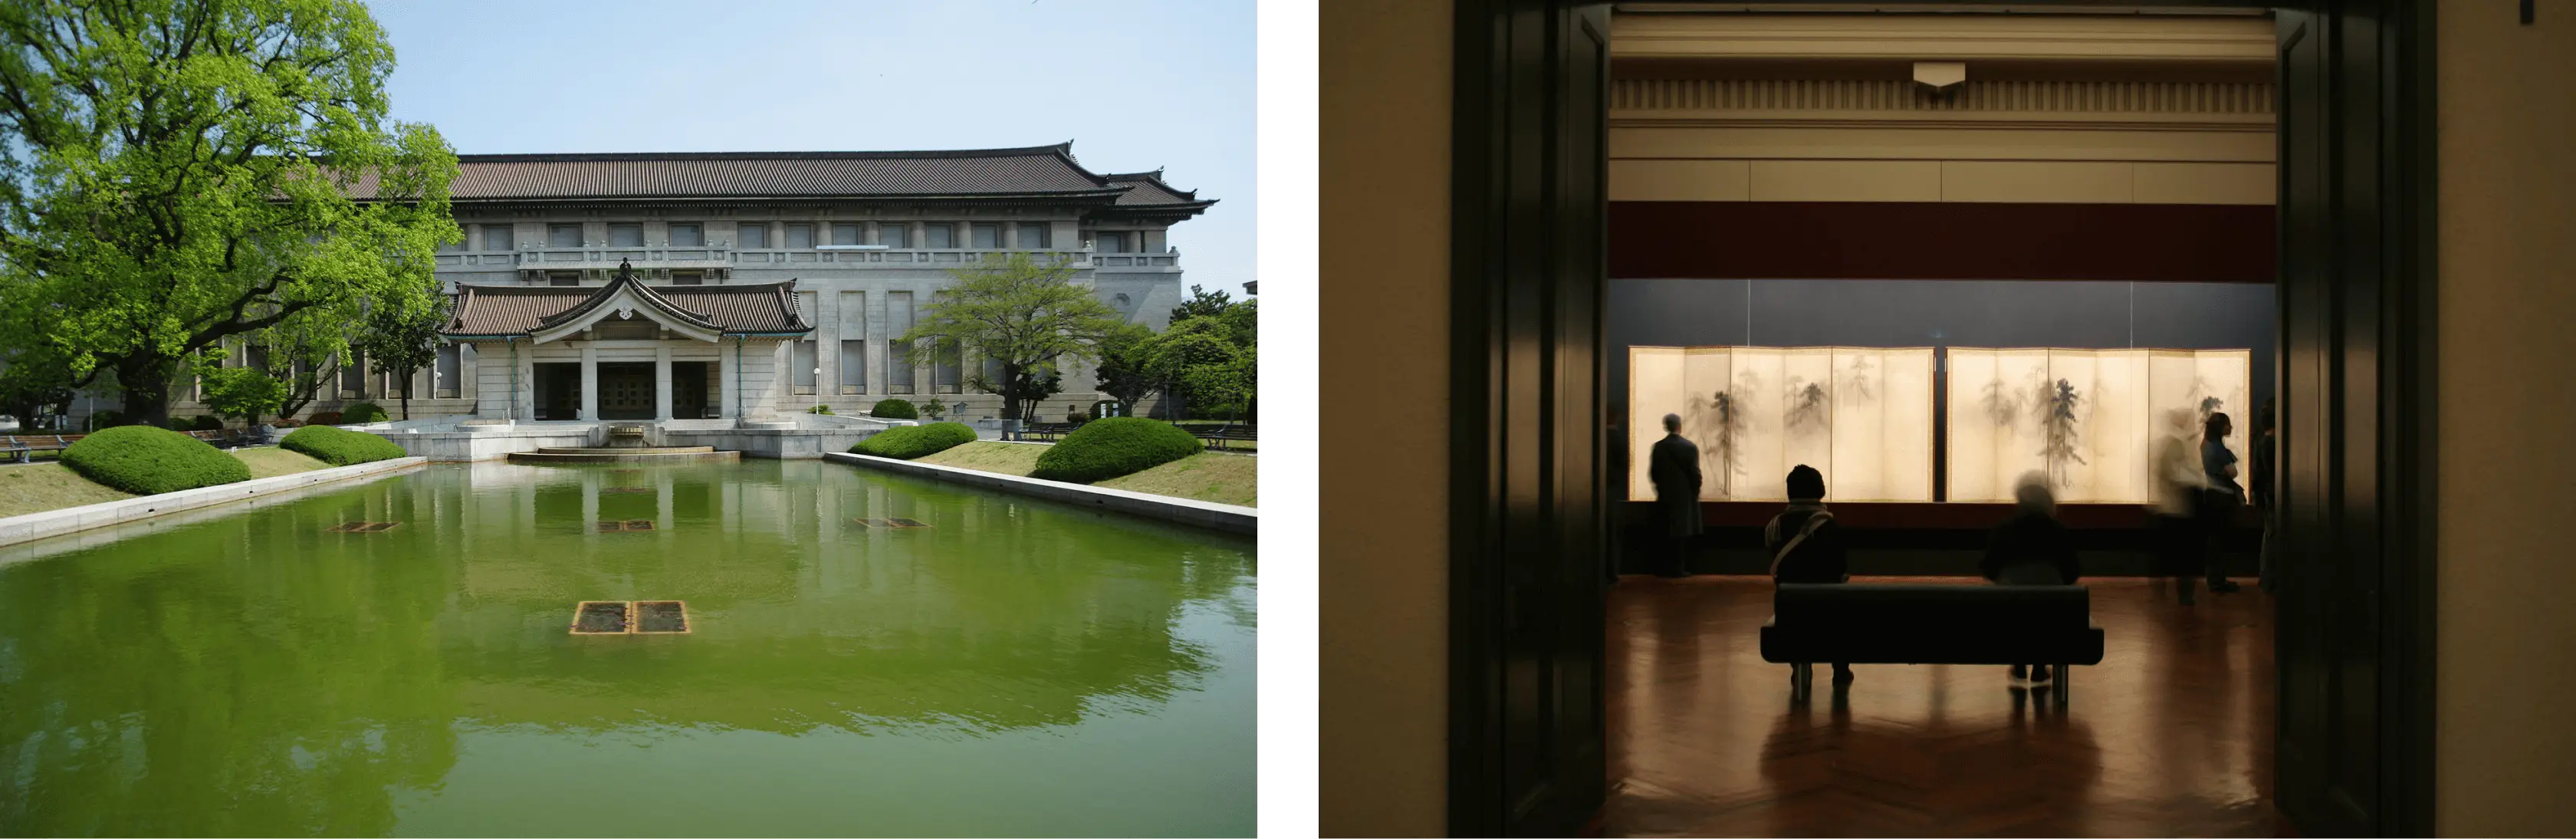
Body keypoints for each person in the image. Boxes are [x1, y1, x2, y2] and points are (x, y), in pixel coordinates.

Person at [1982, 472, 2081, 687]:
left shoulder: (2005, 529)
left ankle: (2019, 663)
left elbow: (1989, 567)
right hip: (2049, 610)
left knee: (2017, 612)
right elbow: (2072, 571)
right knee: (2044, 613)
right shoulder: (2056, 531)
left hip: (2009, 610)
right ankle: (2039, 664)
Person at [1767, 464, 1852, 685]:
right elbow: (1841, 570)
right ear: (1820, 491)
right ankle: (1840, 670)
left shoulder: (1775, 526)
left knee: (1797, 611)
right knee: (1839, 613)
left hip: (1791, 610)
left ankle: (1800, 667)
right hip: (1830, 610)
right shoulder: (1833, 528)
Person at [2150, 409, 2213, 604]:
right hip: (2178, 510)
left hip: (2168, 508)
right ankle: (2184, 595)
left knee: (2168, 556)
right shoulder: (2176, 444)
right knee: (2185, 558)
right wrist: (2201, 480)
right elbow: (2179, 474)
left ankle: (2164, 593)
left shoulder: (2168, 444)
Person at [1647, 413, 1704, 578]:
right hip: (1684, 497)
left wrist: (1661, 489)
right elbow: (1695, 474)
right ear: (1680, 426)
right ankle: (1679, 569)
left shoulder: (1658, 447)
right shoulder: (1689, 447)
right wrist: (1694, 491)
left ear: (1666, 426)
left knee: (1665, 533)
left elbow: (1654, 473)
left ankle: (1664, 568)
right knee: (1681, 535)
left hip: (1665, 496)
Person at [2199, 412, 2246, 596]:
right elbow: (2232, 472)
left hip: (2211, 494)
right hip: (2222, 497)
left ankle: (2215, 579)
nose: (2230, 428)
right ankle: (2218, 581)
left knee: (2214, 541)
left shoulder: (2205, 444)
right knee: (2219, 541)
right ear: (2220, 427)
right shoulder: (2217, 447)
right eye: (2227, 425)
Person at [2251, 402, 2278, 594]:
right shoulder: (2270, 444)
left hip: (2267, 496)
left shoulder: (2262, 442)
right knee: (2271, 537)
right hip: (2272, 496)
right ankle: (2269, 579)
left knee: (2270, 536)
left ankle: (2267, 577)